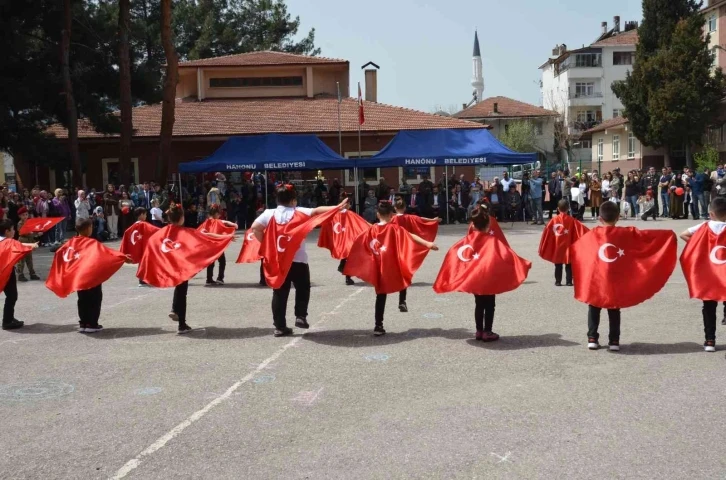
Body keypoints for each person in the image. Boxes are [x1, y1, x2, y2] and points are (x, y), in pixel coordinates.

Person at [251, 185, 346, 337]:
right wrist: (336, 207)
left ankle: (280, 326)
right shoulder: (299, 211)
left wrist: (266, 244)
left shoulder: (269, 213)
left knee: (279, 293)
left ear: (277, 199)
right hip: (298, 259)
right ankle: (300, 316)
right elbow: (316, 211)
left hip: (279, 259)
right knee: (303, 288)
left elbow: (255, 227)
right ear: (293, 200)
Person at [434, 204, 530, 341]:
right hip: (489, 278)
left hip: (476, 278)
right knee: (490, 304)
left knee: (479, 304)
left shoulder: (467, 241)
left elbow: (455, 253)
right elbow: (507, 255)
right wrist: (523, 264)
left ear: (473, 225)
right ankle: (487, 331)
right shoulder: (493, 241)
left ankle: (479, 331)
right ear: (487, 226)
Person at [344, 201, 438, 336]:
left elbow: (360, 242)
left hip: (378, 266)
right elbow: (411, 236)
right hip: (392, 264)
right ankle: (402, 300)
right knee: (404, 275)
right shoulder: (394, 228)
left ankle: (378, 325)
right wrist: (427, 243)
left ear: (377, 214)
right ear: (391, 215)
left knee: (380, 295)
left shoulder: (372, 229)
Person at [679, 197, 726, 352]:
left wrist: (698, 246)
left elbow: (683, 234)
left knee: (709, 306)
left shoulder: (704, 226)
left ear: (711, 213)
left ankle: (710, 340)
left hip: (709, 274)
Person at [539, 199, 588, 287]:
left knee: (558, 264)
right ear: (568, 208)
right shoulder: (572, 220)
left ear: (558, 209)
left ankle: (558, 281)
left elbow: (547, 233)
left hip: (557, 246)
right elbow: (581, 230)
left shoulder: (553, 220)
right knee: (569, 264)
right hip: (568, 246)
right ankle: (569, 281)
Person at [0, 219, 38, 330]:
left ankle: (9, 317)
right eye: (12, 230)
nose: (14, 231)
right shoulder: (7, 242)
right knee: (12, 296)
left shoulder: (4, 241)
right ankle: (7, 321)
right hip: (6, 271)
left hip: (3, 271)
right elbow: (20, 246)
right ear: (7, 231)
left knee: (10, 295)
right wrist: (32, 245)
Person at [200, 204, 237, 286]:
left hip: (209, 246)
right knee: (222, 261)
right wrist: (233, 224)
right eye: (219, 214)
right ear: (216, 214)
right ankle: (220, 278)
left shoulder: (206, 222)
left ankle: (209, 279)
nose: (220, 215)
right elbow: (225, 222)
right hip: (217, 245)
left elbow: (201, 232)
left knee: (211, 262)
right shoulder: (218, 222)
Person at [15, 207, 41, 281]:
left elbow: (32, 231)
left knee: (29, 259)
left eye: (26, 214)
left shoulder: (29, 222)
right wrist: (33, 233)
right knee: (21, 260)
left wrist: (37, 234)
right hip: (23, 242)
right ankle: (20, 275)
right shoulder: (20, 223)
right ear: (20, 216)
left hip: (29, 242)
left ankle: (32, 273)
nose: (25, 216)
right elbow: (23, 232)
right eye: (23, 215)